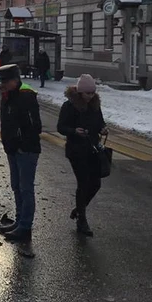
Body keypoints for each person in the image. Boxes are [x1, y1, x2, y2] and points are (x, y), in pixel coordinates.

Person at [0, 63, 42, 244]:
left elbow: (34, 126)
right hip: (12, 149)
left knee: (26, 188)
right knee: (16, 186)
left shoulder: (26, 97)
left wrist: (21, 144)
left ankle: (25, 227)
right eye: (1, 81)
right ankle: (19, 220)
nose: (2, 84)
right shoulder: (7, 96)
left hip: (26, 150)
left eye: (5, 81)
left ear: (15, 80)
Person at [56, 74, 108, 237]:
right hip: (76, 150)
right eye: (87, 93)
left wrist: (103, 129)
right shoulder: (69, 106)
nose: (90, 96)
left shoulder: (94, 105)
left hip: (92, 149)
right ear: (80, 92)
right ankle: (82, 221)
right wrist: (74, 131)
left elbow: (100, 122)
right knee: (83, 183)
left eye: (93, 93)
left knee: (96, 184)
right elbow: (61, 127)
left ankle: (79, 209)